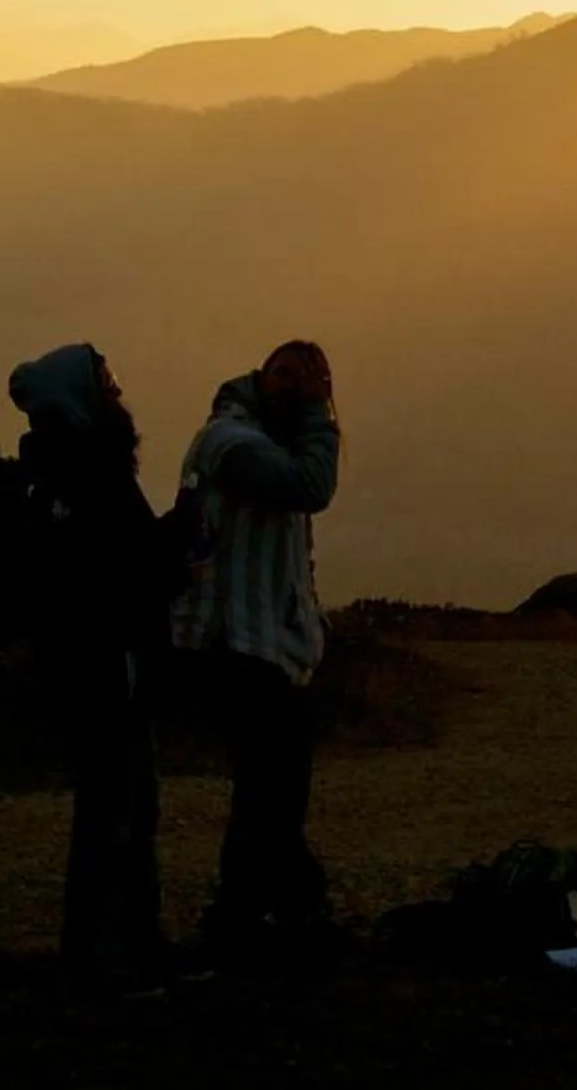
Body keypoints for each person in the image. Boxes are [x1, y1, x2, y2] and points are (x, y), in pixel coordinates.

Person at [9, 342, 192, 999]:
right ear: (79, 397)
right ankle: (107, 962)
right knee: (116, 815)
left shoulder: (61, 472)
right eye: (107, 382)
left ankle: (126, 954)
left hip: (98, 670)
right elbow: (119, 572)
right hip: (106, 671)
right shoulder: (90, 474)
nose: (118, 392)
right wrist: (181, 540)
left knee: (125, 811)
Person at [172, 338, 343, 969]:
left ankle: (266, 915)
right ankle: (260, 916)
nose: (293, 387)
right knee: (271, 782)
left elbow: (292, 551)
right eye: (284, 374)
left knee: (272, 784)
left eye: (308, 378)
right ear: (258, 376)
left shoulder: (263, 442)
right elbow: (311, 486)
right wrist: (322, 415)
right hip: (232, 643)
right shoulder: (229, 440)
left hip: (260, 644)